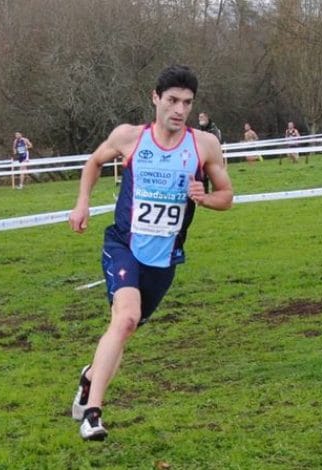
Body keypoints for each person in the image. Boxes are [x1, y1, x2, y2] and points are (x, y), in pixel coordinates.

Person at [68, 65, 233, 441]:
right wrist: (82, 204)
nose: (179, 110)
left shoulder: (204, 145)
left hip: (164, 259)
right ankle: (92, 413)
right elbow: (93, 162)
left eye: (187, 103)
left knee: (123, 331)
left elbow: (228, 196)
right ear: (155, 98)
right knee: (125, 318)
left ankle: (89, 378)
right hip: (124, 245)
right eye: (172, 100)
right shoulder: (129, 137)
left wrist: (204, 198)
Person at [197, 111, 223, 192]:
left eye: (202, 117)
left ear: (207, 118)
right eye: (199, 117)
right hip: (203, 155)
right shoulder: (199, 129)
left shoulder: (213, 129)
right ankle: (205, 194)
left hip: (213, 155)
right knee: (203, 175)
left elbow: (216, 141)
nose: (200, 119)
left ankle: (217, 192)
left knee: (215, 175)